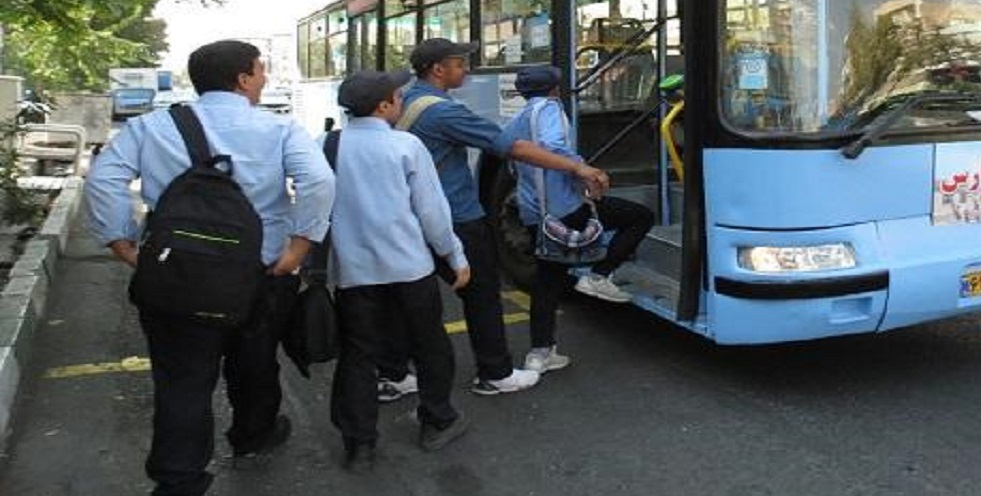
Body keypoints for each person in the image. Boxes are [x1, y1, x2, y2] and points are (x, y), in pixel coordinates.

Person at [84, 40, 335, 496]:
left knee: (182, 380)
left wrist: (123, 244)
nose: (264, 79)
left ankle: (179, 479)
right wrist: (299, 248)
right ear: (243, 78)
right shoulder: (279, 129)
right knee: (256, 363)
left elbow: (104, 179)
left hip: (177, 276)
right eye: (260, 71)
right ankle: (252, 435)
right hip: (262, 274)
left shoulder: (151, 126)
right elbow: (317, 180)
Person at [378, 38, 610, 398]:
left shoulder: (409, 100)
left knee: (408, 296)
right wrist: (578, 167)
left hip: (412, 216)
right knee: (482, 292)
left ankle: (394, 375)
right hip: (455, 217)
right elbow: (512, 147)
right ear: (438, 69)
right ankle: (494, 372)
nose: (466, 69)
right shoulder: (443, 112)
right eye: (459, 63)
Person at [325, 69, 472, 472]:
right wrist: (454, 257)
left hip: (355, 274)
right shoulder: (405, 146)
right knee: (429, 345)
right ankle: (437, 419)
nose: (402, 101)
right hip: (410, 268)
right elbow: (432, 212)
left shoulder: (328, 145)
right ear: (384, 105)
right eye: (398, 95)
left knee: (358, 355)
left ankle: (360, 445)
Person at [504, 65, 655, 373]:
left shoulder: (516, 120)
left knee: (547, 282)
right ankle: (598, 275)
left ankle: (540, 352)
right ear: (555, 89)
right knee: (640, 217)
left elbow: (510, 155)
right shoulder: (550, 110)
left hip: (536, 213)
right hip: (566, 207)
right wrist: (583, 170)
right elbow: (553, 146)